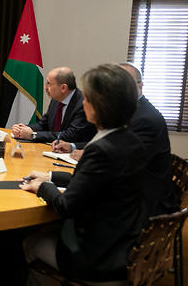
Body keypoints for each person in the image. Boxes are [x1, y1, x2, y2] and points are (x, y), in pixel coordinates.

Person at [20, 64, 146, 284]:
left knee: (30, 242)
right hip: (125, 243)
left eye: (87, 98)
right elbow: (93, 181)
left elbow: (66, 206)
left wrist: (40, 187)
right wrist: (50, 177)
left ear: (99, 107)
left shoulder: (100, 149)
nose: (83, 102)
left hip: (98, 258)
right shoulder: (130, 139)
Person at [53, 63, 177, 216]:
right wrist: (74, 147)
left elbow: (117, 158)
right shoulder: (127, 115)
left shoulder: (145, 118)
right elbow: (110, 142)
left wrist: (87, 156)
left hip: (140, 206)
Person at [12, 66, 95, 143]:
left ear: (63, 88)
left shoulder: (83, 104)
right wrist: (24, 129)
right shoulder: (56, 100)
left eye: (49, 83)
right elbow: (43, 124)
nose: (45, 87)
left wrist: (33, 135)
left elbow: (70, 135)